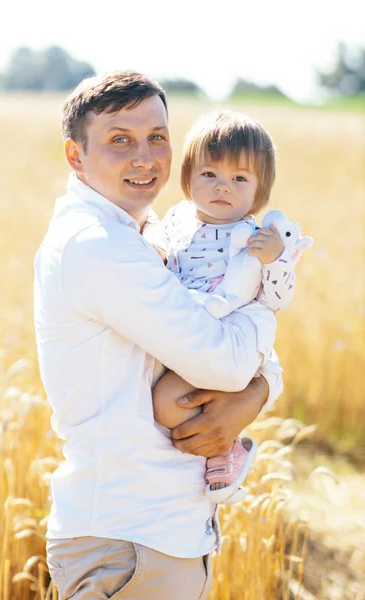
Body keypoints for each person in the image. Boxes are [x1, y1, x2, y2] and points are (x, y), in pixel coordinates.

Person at [34, 71, 283, 600]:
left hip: (151, 537)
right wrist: (257, 386)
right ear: (75, 156)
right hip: (128, 540)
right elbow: (226, 363)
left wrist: (260, 387)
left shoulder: (151, 237)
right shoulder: (99, 245)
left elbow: (227, 342)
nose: (145, 157)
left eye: (158, 137)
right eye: (119, 140)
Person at [151, 110, 299, 505]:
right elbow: (163, 251)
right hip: (186, 330)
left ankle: (227, 447)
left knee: (168, 405)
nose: (222, 187)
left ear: (259, 190)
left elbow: (276, 302)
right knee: (169, 400)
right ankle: (221, 445)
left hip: (224, 338)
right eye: (209, 174)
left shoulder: (251, 238)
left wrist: (277, 259)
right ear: (187, 178)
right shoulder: (178, 219)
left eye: (239, 178)